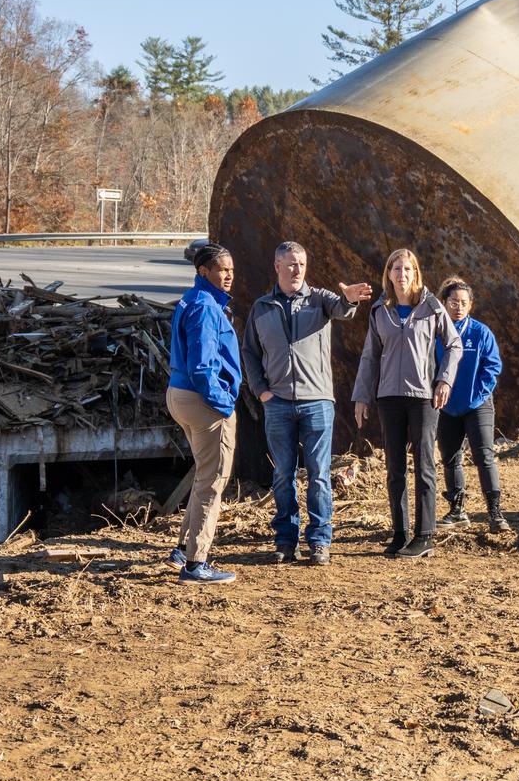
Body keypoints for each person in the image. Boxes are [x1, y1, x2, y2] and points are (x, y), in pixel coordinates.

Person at [241, 241, 373, 566]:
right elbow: (250, 353)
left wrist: (349, 298)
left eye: (301, 263)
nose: (297, 269)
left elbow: (342, 309)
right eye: (291, 263)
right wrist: (261, 391)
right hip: (278, 403)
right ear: (277, 266)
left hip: (317, 401)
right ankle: (286, 541)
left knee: (318, 474)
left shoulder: (320, 299)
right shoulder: (262, 308)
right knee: (283, 475)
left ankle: (320, 541)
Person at [352, 249, 462, 557]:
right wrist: (362, 396)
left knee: (425, 465)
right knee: (394, 467)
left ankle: (424, 534)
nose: (402, 275)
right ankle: (400, 533)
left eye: (407, 269)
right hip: (389, 397)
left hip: (423, 397)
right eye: (396, 269)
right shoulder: (379, 311)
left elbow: (454, 344)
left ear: (416, 274)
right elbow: (370, 356)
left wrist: (444, 380)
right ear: (388, 274)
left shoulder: (431, 306)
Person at [166, 241, 243, 585]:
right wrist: (223, 402)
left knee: (203, 475)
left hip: (180, 394)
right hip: (203, 400)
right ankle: (196, 564)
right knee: (213, 481)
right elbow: (202, 366)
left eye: (231, 270)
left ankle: (182, 549)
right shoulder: (205, 307)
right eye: (222, 270)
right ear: (203, 272)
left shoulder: (191, 299)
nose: (228, 275)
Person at [435, 277, 509, 533]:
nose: (458, 307)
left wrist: (478, 394)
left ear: (470, 306)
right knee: (450, 459)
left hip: (478, 404)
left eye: (463, 303)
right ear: (444, 303)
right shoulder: (435, 332)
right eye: (453, 302)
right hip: (445, 406)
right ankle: (457, 511)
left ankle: (495, 513)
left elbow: (493, 366)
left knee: (484, 457)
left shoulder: (480, 332)